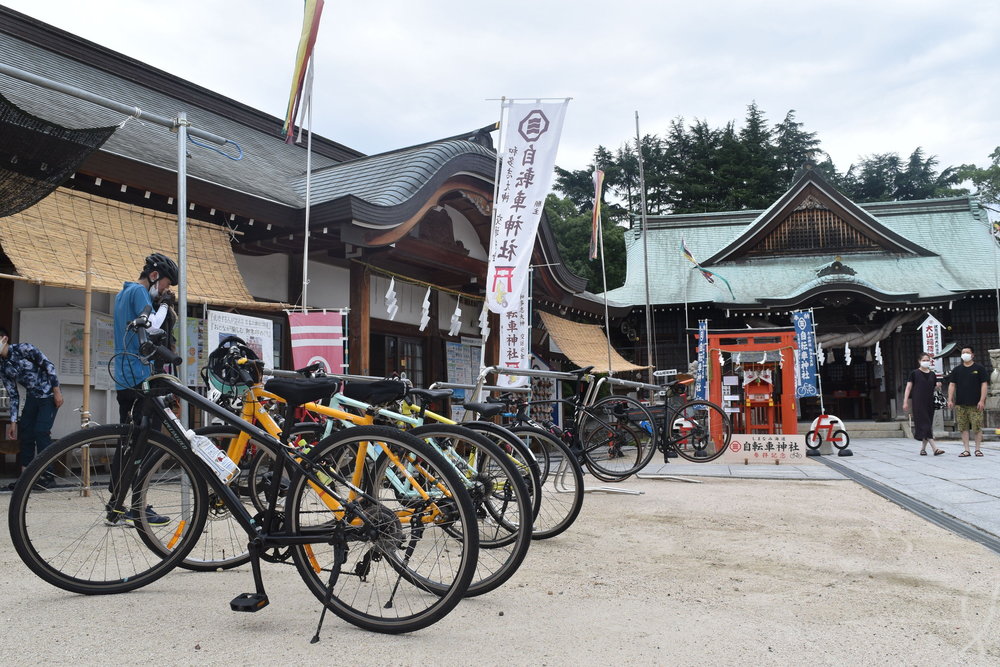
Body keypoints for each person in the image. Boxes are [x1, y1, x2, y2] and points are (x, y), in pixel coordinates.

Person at [110, 252, 178, 525]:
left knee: (126, 440)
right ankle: (139, 505)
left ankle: (117, 502)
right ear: (154, 276)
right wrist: (163, 306)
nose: (164, 290)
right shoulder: (139, 292)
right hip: (139, 375)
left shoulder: (121, 294)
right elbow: (149, 327)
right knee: (146, 441)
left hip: (122, 377)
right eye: (164, 285)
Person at [0, 327, 63, 489]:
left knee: (41, 432)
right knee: (26, 432)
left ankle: (48, 476)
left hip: (48, 395)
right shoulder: (2, 366)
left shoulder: (24, 349)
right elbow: (13, 394)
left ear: (4, 339)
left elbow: (49, 366)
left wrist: (57, 391)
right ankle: (25, 478)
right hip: (32, 398)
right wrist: (13, 422)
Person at [945, 345, 989, 458]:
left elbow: (984, 384)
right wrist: (950, 399)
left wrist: (982, 400)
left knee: (977, 427)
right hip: (960, 404)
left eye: (967, 352)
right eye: (963, 352)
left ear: (972, 355)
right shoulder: (957, 370)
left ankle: (978, 449)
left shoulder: (979, 368)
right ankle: (966, 450)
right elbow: (952, 385)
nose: (965, 354)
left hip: (976, 404)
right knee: (963, 427)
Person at [902, 352, 944, 456]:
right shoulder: (914, 373)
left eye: (927, 360)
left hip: (929, 402)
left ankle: (923, 449)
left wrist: (938, 386)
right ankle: (935, 448)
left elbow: (933, 387)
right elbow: (908, 387)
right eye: (924, 360)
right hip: (918, 402)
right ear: (919, 361)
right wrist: (905, 401)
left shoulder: (932, 374)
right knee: (924, 424)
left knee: (928, 424)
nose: (926, 362)